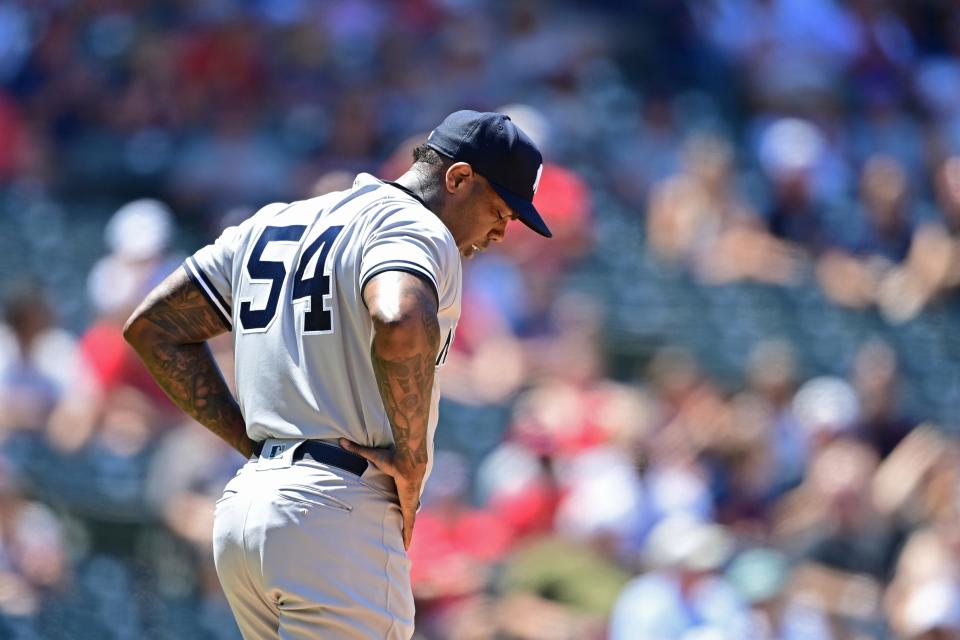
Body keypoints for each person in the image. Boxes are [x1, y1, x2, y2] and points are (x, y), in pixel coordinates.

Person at [123, 110, 551, 639]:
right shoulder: (417, 225)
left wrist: (253, 447)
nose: (500, 233)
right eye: (501, 210)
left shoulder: (274, 221)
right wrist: (410, 456)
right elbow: (399, 317)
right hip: (335, 512)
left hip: (246, 512)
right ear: (458, 179)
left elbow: (153, 327)